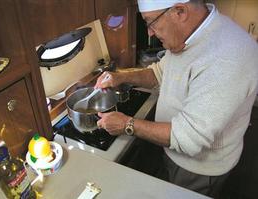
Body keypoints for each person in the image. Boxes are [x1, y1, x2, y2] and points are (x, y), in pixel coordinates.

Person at [95, 0, 258, 197]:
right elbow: (159, 73)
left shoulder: (226, 58)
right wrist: (121, 76)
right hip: (174, 152)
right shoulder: (189, 36)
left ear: (179, 12)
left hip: (199, 169)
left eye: (150, 22)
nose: (149, 32)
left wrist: (127, 125)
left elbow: (190, 138)